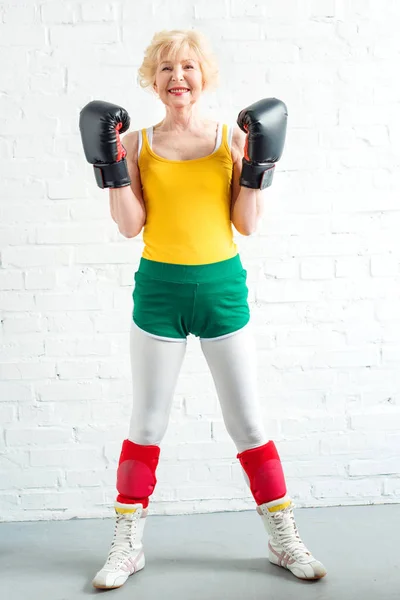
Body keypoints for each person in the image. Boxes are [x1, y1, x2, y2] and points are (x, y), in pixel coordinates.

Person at [79, 29, 327, 590]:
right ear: (153, 80)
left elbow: (247, 224)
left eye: (187, 67)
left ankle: (283, 538)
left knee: (248, 423)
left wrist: (258, 168)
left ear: (203, 75)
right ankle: (127, 546)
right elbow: (128, 226)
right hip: (159, 293)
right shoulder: (136, 142)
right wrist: (113, 168)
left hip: (221, 292)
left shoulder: (231, 139)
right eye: (165, 69)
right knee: (146, 423)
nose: (177, 78)